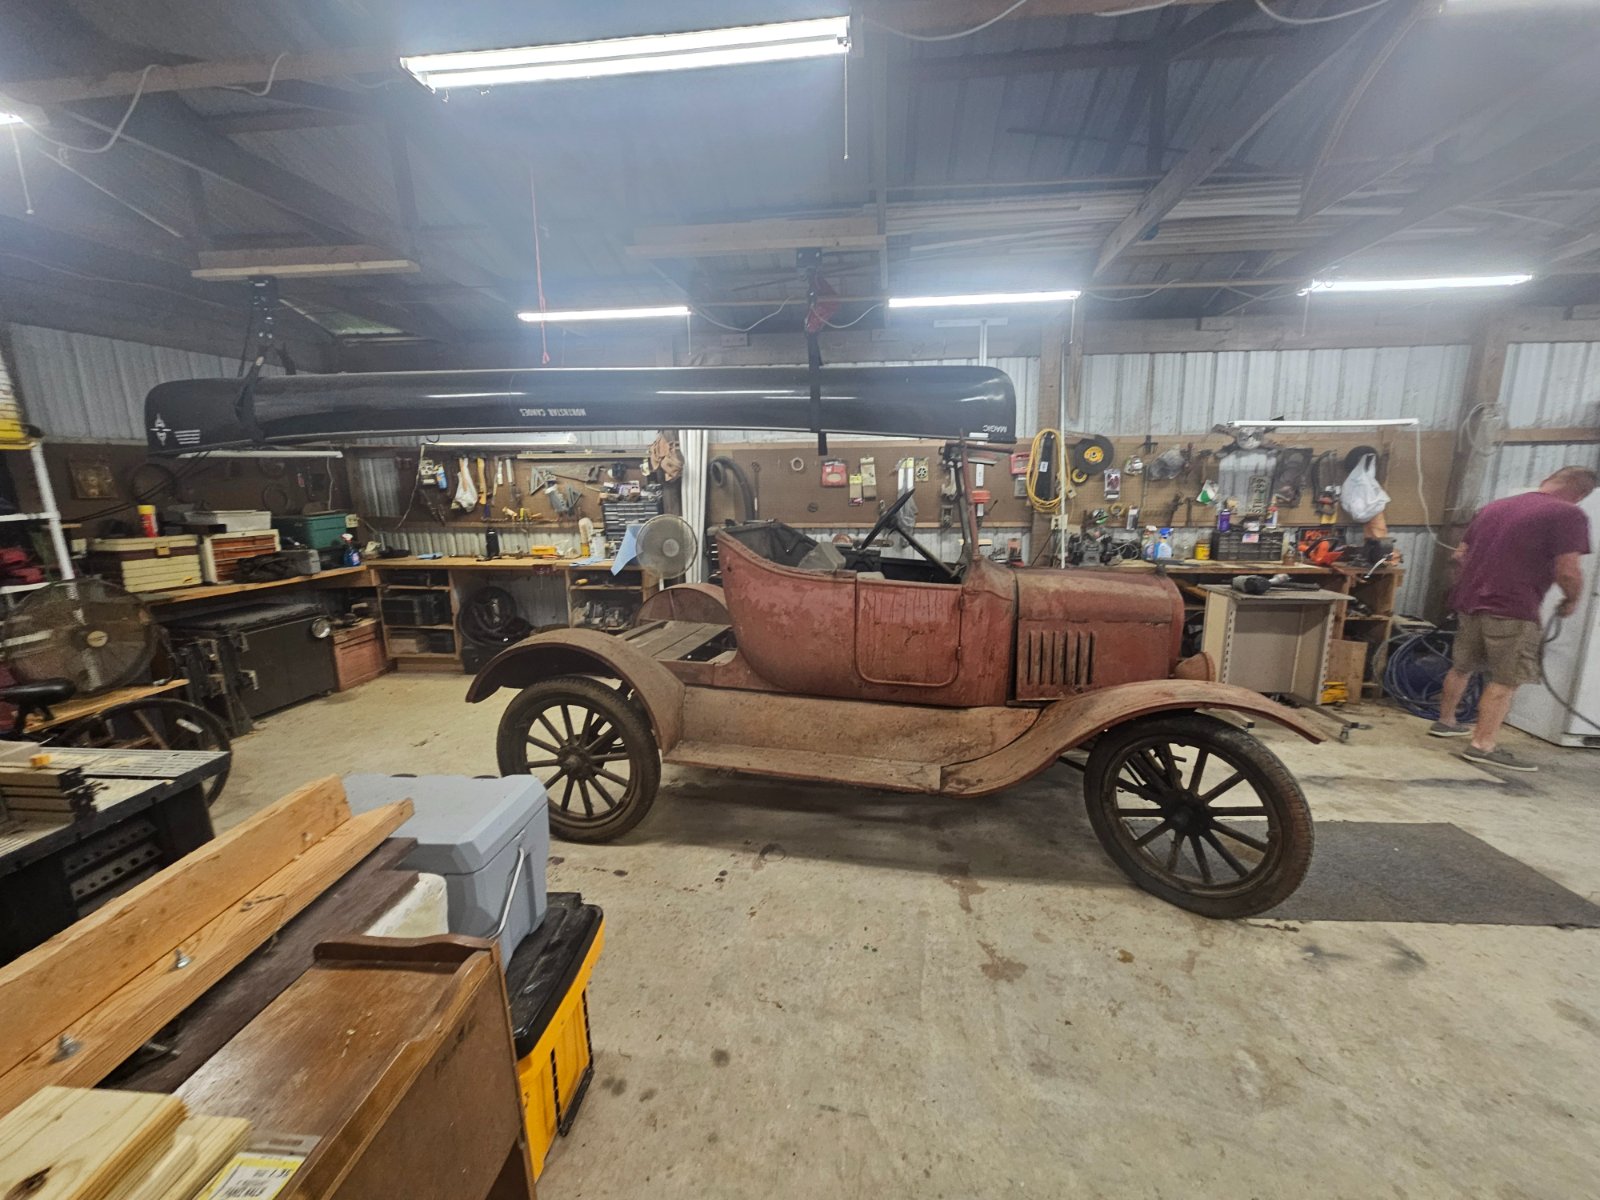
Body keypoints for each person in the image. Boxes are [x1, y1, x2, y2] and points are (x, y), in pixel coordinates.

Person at [1430, 465, 1596, 770]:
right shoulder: (1567, 514)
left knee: (1462, 666)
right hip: (1512, 607)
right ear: (1581, 492)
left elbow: (1459, 555)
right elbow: (1568, 570)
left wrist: (1473, 584)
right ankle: (1482, 745)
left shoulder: (1495, 507)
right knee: (1506, 680)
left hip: (1470, 602)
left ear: (1547, 480)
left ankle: (1445, 721)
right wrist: (1572, 599)